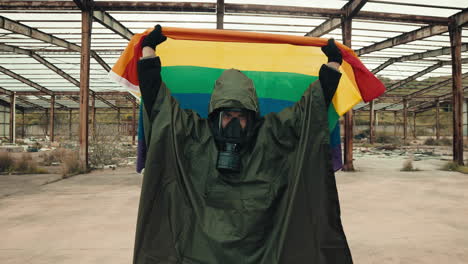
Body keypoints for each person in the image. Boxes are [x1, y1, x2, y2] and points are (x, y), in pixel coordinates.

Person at [134, 25, 353, 264]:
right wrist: (148, 51)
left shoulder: (272, 134)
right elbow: (159, 103)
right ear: (215, 115)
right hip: (200, 250)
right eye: (228, 116)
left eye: (241, 117)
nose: (234, 125)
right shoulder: (194, 134)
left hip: (265, 247)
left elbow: (310, 109)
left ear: (253, 117)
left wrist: (333, 64)